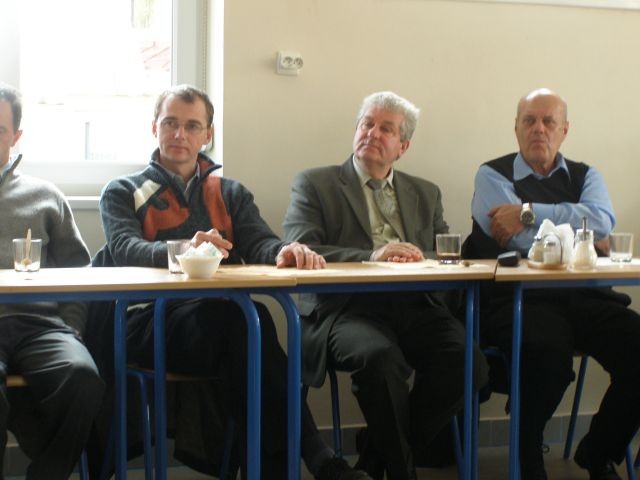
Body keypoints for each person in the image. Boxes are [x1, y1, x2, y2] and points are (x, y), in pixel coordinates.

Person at [94, 84, 370, 480]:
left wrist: (285, 250)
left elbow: (259, 242)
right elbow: (125, 249)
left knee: (247, 334)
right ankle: (317, 457)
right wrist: (184, 249)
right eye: (170, 123)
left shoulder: (230, 192)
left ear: (207, 135)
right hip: (145, 321)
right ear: (154, 128)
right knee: (248, 323)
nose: (179, 134)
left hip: (217, 325)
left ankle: (297, 463)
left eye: (192, 126)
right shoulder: (122, 191)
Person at [283, 91, 489, 480]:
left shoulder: (425, 192)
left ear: (402, 147)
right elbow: (302, 247)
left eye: (386, 129)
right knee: (380, 359)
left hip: (416, 304)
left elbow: (444, 251)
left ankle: (374, 455)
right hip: (347, 309)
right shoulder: (315, 183)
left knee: (469, 364)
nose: (373, 133)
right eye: (367, 124)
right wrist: (373, 255)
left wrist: (422, 258)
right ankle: (401, 471)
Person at [464, 87, 640, 480]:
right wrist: (580, 233)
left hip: (586, 297)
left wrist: (527, 212)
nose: (539, 129)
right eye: (529, 121)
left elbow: (602, 220)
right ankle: (528, 460)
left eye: (548, 121)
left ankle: (597, 452)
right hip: (519, 300)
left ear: (564, 130)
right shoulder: (492, 174)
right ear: (516, 128)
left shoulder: (586, 174)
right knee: (546, 358)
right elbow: (514, 239)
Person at [0, 84, 105, 479]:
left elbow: (78, 270)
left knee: (83, 378)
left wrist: (73, 325)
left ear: (16, 137)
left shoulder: (45, 196)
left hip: (40, 325)